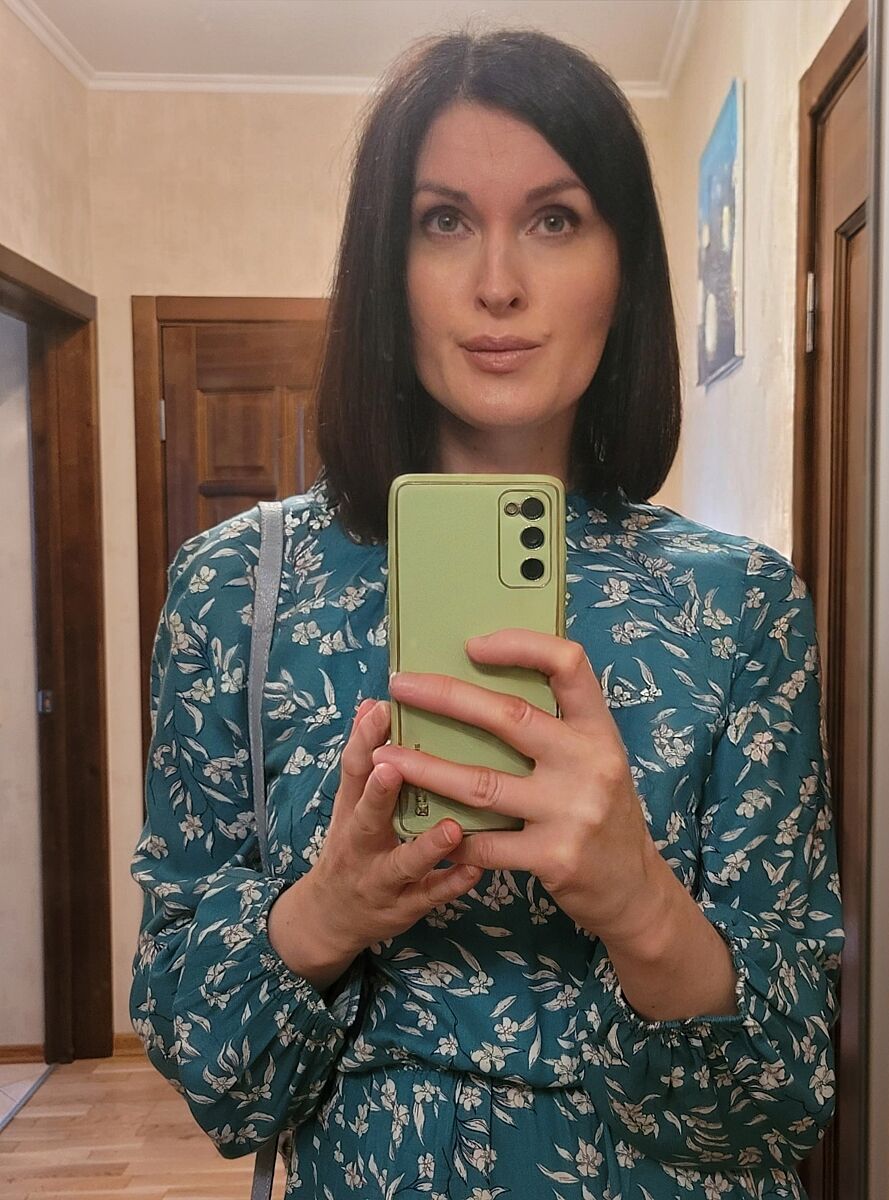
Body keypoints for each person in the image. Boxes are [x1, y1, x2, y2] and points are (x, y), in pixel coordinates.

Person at [130, 27, 843, 1200]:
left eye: (556, 219)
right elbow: (207, 1070)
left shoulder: (739, 606)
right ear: (385, 263)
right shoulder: (233, 591)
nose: (498, 282)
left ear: (624, 267)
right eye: (444, 220)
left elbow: (781, 1099)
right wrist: (329, 910)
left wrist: (640, 903)